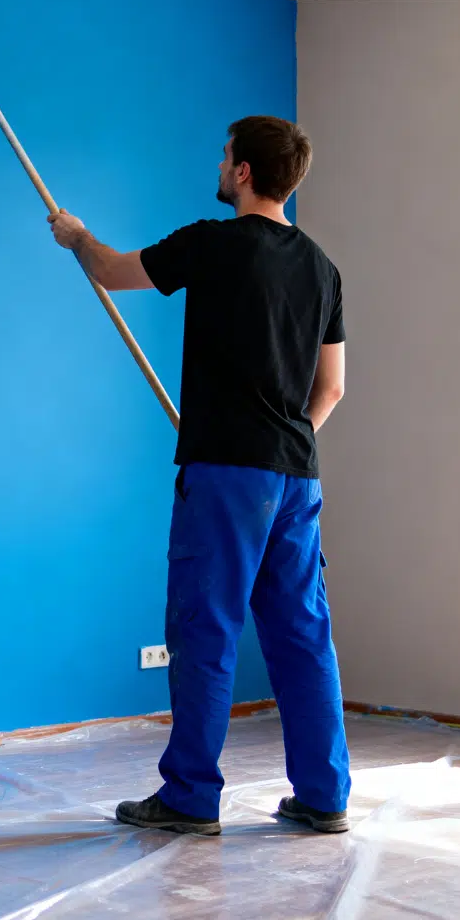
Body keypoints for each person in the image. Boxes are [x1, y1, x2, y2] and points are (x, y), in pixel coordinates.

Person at [46, 115, 351, 837]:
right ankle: (324, 796)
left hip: (227, 476)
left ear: (243, 171)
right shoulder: (323, 268)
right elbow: (332, 388)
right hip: (296, 477)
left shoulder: (211, 243)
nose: (219, 166)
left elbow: (115, 271)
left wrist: (77, 237)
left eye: (225, 157)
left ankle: (188, 797)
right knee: (303, 634)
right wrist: (280, 439)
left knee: (204, 628)